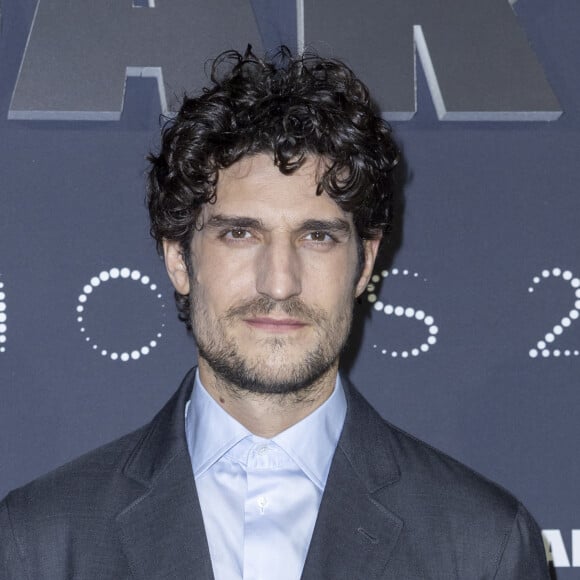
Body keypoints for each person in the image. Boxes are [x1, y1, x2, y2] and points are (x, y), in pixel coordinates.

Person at [0, 47, 548, 579]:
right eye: (240, 233)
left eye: (317, 236)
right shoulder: (41, 543)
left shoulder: (483, 547)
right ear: (178, 258)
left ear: (365, 263)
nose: (279, 283)